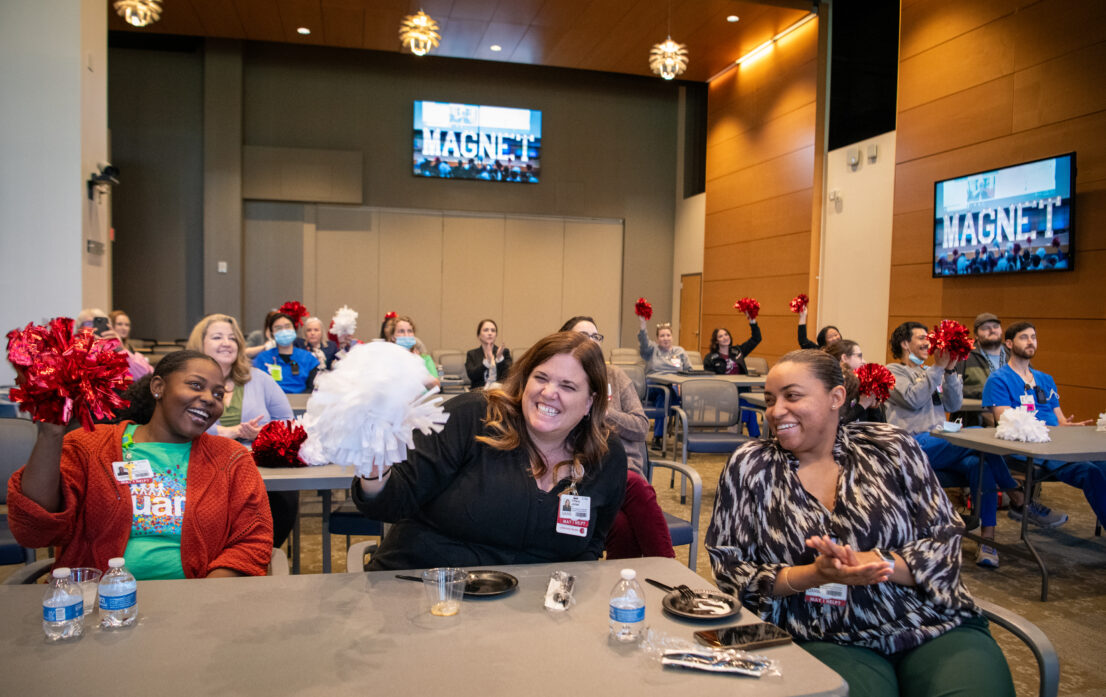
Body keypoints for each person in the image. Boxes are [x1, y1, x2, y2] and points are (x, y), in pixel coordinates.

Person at [706, 350, 1015, 697]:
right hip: (821, 634)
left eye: (792, 396)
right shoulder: (751, 466)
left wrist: (878, 562)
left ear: (836, 398)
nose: (776, 411)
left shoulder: (891, 448)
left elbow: (944, 545)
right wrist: (816, 575)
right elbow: (730, 568)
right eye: (770, 400)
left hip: (931, 622)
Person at [350, 331, 627, 570]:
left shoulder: (606, 456)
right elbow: (393, 500)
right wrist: (375, 469)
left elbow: (590, 545)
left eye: (567, 386)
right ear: (525, 380)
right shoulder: (473, 417)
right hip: (421, 587)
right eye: (541, 377)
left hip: (527, 613)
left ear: (591, 402)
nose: (549, 392)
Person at [7, 350, 273, 579]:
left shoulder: (230, 458)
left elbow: (253, 540)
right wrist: (51, 434)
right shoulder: (89, 447)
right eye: (195, 385)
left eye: (218, 394)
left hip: (195, 609)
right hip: (99, 609)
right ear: (158, 386)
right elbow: (34, 531)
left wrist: (203, 597)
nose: (209, 398)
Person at [884, 322, 1054, 568]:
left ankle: (987, 541)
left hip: (940, 441)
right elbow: (914, 399)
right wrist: (939, 368)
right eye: (921, 338)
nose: (928, 344)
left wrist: (950, 371)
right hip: (910, 446)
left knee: (979, 462)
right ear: (904, 343)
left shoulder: (933, 371)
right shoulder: (892, 372)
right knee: (976, 434)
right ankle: (1015, 493)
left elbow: (953, 405)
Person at [560, 316, 672, 560]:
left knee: (621, 526)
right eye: (583, 336)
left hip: (627, 471)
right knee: (637, 488)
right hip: (586, 473)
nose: (592, 342)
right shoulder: (565, 381)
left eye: (596, 337)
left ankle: (623, 590)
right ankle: (670, 572)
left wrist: (605, 411)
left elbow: (641, 427)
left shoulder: (615, 376)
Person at [187, 314, 299, 547]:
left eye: (232, 338)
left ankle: (260, 554)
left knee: (283, 500)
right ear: (201, 344)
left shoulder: (260, 379)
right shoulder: (185, 382)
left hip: (255, 470)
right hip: (199, 468)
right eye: (217, 337)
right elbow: (176, 426)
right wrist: (226, 432)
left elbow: (289, 424)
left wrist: (262, 434)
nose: (226, 343)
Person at [982, 322, 1105, 524]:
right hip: (1030, 448)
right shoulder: (998, 380)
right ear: (1009, 344)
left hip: (1059, 443)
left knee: (1103, 465)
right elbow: (1006, 423)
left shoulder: (1045, 379)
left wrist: (1067, 426)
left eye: (1034, 337)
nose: (1031, 342)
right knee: (1089, 471)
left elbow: (1059, 419)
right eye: (1024, 337)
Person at [704, 314, 763, 436]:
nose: (725, 337)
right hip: (723, 394)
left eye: (726, 334)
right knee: (748, 406)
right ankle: (754, 436)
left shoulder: (738, 351)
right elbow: (709, 381)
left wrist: (752, 320)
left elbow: (756, 338)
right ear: (716, 341)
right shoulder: (711, 358)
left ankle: (737, 426)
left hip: (742, 391)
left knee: (747, 404)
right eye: (721, 336)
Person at [637, 317, 692, 448]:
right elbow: (644, 343)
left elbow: (689, 370)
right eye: (662, 336)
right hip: (653, 387)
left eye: (668, 335)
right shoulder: (651, 351)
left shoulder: (679, 352)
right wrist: (643, 325)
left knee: (665, 396)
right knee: (663, 394)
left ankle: (660, 436)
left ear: (672, 337)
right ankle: (658, 436)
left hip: (673, 387)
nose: (665, 338)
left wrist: (683, 384)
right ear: (657, 339)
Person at [955, 313, 1006, 427]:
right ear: (976, 335)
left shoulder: (1012, 354)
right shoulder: (964, 356)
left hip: (1012, 415)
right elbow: (952, 389)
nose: (992, 330)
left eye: (996, 327)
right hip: (975, 419)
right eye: (986, 328)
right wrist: (985, 392)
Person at [252, 312, 320, 394]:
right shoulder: (263, 359)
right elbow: (256, 388)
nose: (284, 331)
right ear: (272, 334)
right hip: (270, 404)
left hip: (301, 403)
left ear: (294, 330)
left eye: (288, 327)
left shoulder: (308, 358)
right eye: (278, 328)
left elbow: (313, 389)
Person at [824, 339, 884, 423]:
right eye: (859, 356)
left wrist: (873, 407)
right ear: (844, 358)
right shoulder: (832, 386)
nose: (864, 361)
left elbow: (878, 427)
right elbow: (837, 424)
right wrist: (862, 405)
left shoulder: (860, 384)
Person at [383, 314, 439, 384]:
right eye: (401, 331)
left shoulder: (425, 358)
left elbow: (436, 386)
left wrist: (417, 365)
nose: (406, 334)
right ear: (392, 337)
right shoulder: (386, 359)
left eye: (410, 331)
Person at [465, 319, 512, 390]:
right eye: (486, 330)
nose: (490, 333)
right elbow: (472, 376)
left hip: (498, 393)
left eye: (493, 330)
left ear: (496, 335)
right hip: (478, 393)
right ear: (479, 335)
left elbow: (509, 375)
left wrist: (500, 359)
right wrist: (486, 363)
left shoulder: (504, 352)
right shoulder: (472, 354)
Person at [109, 310, 153, 380]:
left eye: (127, 325)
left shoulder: (129, 346)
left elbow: (147, 372)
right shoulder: (106, 348)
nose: (124, 328)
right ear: (110, 326)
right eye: (119, 324)